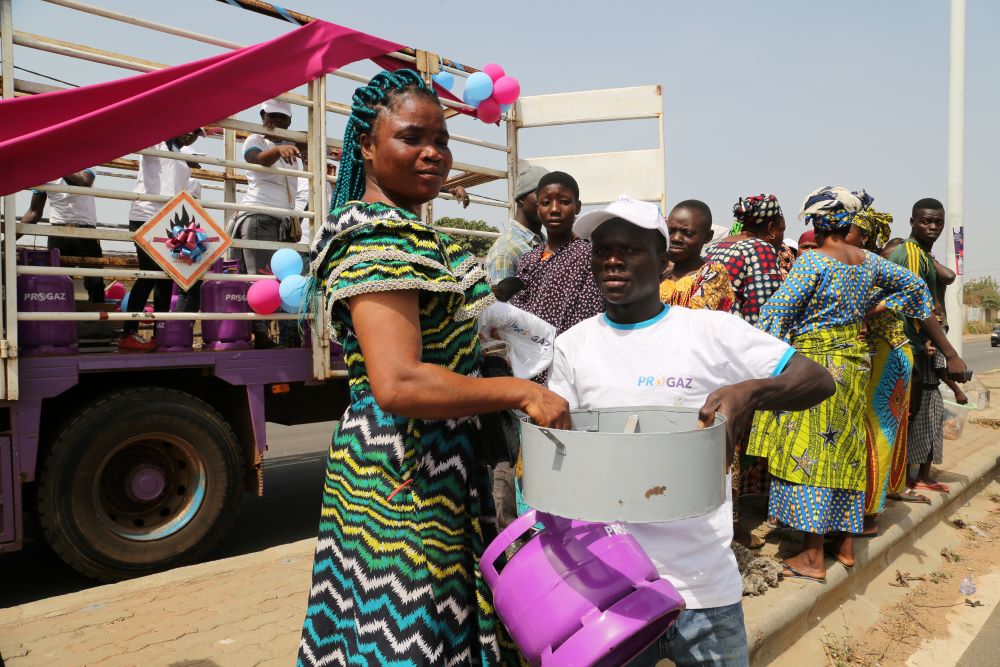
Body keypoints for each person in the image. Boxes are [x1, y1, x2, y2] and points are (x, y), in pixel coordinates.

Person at [297, 69, 570, 666]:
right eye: (411, 137)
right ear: (366, 147)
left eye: (442, 140)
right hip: (403, 477)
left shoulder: (414, 233)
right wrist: (517, 391)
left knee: (432, 622)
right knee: (405, 627)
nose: (433, 153)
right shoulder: (375, 240)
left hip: (435, 465)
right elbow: (398, 383)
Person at [546, 194, 834, 667]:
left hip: (702, 588)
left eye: (630, 249)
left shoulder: (711, 331)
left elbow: (816, 379)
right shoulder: (574, 346)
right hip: (612, 589)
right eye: (602, 251)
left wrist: (752, 392)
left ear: (663, 262)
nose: (613, 261)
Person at [747, 187, 933, 583]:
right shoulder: (865, 261)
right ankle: (845, 547)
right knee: (845, 449)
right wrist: (879, 306)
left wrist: (762, 362)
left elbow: (773, 315)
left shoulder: (812, 262)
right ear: (848, 223)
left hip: (813, 367)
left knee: (811, 453)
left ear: (816, 223)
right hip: (855, 365)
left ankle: (812, 556)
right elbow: (917, 289)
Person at [887, 198, 968, 493]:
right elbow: (918, 307)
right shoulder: (910, 254)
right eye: (925, 222)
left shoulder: (921, 255)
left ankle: (903, 480)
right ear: (912, 222)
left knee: (911, 414)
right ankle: (897, 484)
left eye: (938, 222)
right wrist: (951, 353)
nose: (933, 227)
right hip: (902, 347)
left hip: (915, 346)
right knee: (901, 417)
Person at [233, 98, 310, 348]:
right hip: (259, 215)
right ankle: (261, 335)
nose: (275, 122)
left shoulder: (294, 154)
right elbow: (256, 159)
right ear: (262, 116)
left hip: (282, 221)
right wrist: (278, 149)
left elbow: (301, 192)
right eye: (271, 116)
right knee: (262, 279)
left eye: (281, 118)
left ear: (289, 122)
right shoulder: (257, 140)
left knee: (281, 279)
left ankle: (284, 335)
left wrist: (294, 218)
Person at [120, 129, 204, 352]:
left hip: (168, 220)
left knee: (166, 278)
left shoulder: (180, 154)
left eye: (196, 133)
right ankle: (128, 332)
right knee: (148, 274)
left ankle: (160, 333)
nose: (190, 135)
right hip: (146, 215)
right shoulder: (156, 141)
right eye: (188, 129)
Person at [510, 170, 603, 340]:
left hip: (570, 355)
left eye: (564, 202)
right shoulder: (528, 259)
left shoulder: (587, 256)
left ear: (578, 207)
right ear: (538, 208)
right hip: (527, 357)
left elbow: (589, 312)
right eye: (546, 203)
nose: (554, 209)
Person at [20, 168, 105, 303]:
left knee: (95, 284)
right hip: (57, 234)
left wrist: (57, 165)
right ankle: (62, 321)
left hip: (86, 232)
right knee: (59, 284)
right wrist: (9, 239)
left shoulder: (85, 162)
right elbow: (34, 212)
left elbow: (84, 182)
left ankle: (96, 322)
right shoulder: (43, 174)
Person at [706, 194, 785, 325]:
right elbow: (760, 314)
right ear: (771, 228)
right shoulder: (760, 250)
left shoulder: (713, 247)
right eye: (782, 229)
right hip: (731, 336)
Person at [658, 199, 735, 311]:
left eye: (687, 233)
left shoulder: (711, 273)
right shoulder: (661, 275)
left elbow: (700, 321)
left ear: (708, 236)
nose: (675, 238)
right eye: (670, 231)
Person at [483, 164, 548, 293]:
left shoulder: (543, 243)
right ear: (522, 198)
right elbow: (503, 311)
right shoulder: (506, 252)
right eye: (542, 195)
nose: (551, 203)